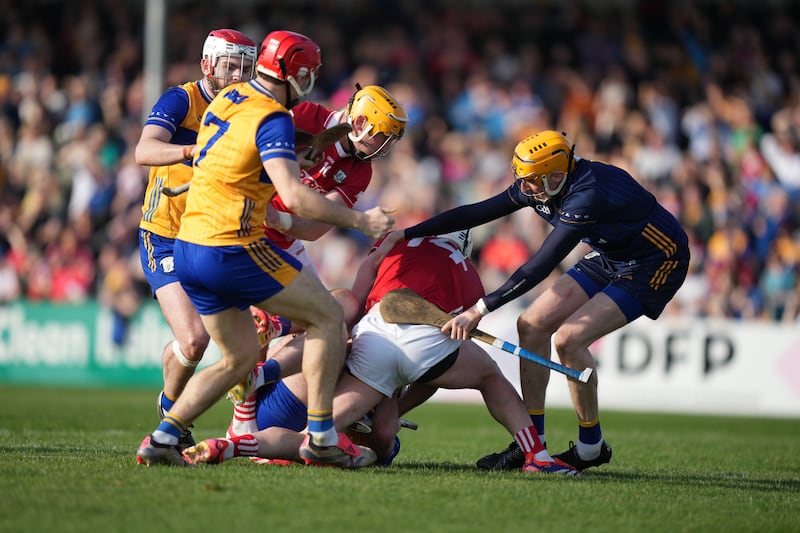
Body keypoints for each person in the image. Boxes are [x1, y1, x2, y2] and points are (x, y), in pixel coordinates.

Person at [135, 30, 395, 468]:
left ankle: (162, 436)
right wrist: (361, 220)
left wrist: (299, 156)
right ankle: (320, 436)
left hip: (190, 246)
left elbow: (236, 157)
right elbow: (293, 196)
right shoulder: (275, 116)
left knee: (235, 359)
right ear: (299, 74)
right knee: (330, 315)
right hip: (231, 245)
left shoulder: (226, 101)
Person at [375, 130, 690, 472]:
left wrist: (480, 309)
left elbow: (541, 265)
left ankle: (590, 447)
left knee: (569, 340)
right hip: (610, 255)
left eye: (531, 182)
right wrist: (407, 233)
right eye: (522, 180)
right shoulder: (541, 184)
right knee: (531, 325)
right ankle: (533, 447)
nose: (524, 188)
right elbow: (475, 213)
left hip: (656, 262)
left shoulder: (588, 194)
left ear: (557, 175)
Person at [184, 230, 581, 475]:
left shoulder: (394, 246)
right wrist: (394, 401)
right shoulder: (468, 272)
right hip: (422, 354)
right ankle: (536, 454)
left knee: (337, 316)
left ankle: (250, 400)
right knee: (489, 377)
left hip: (365, 341)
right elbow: (447, 352)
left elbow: (359, 303)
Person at [134, 28, 258, 449]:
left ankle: (179, 410)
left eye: (246, 65)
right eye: (230, 64)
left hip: (214, 235)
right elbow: (144, 150)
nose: (239, 74)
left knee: (244, 340)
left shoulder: (249, 108)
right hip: (165, 234)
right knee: (193, 339)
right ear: (207, 64)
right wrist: (191, 151)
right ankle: (173, 412)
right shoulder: (182, 99)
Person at [248, 83, 408, 367]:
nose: (384, 149)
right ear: (360, 122)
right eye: (382, 138)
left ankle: (276, 337)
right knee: (243, 337)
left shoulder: (361, 170)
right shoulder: (305, 116)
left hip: (285, 240)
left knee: (340, 312)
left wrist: (277, 219)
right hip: (244, 231)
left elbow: (313, 229)